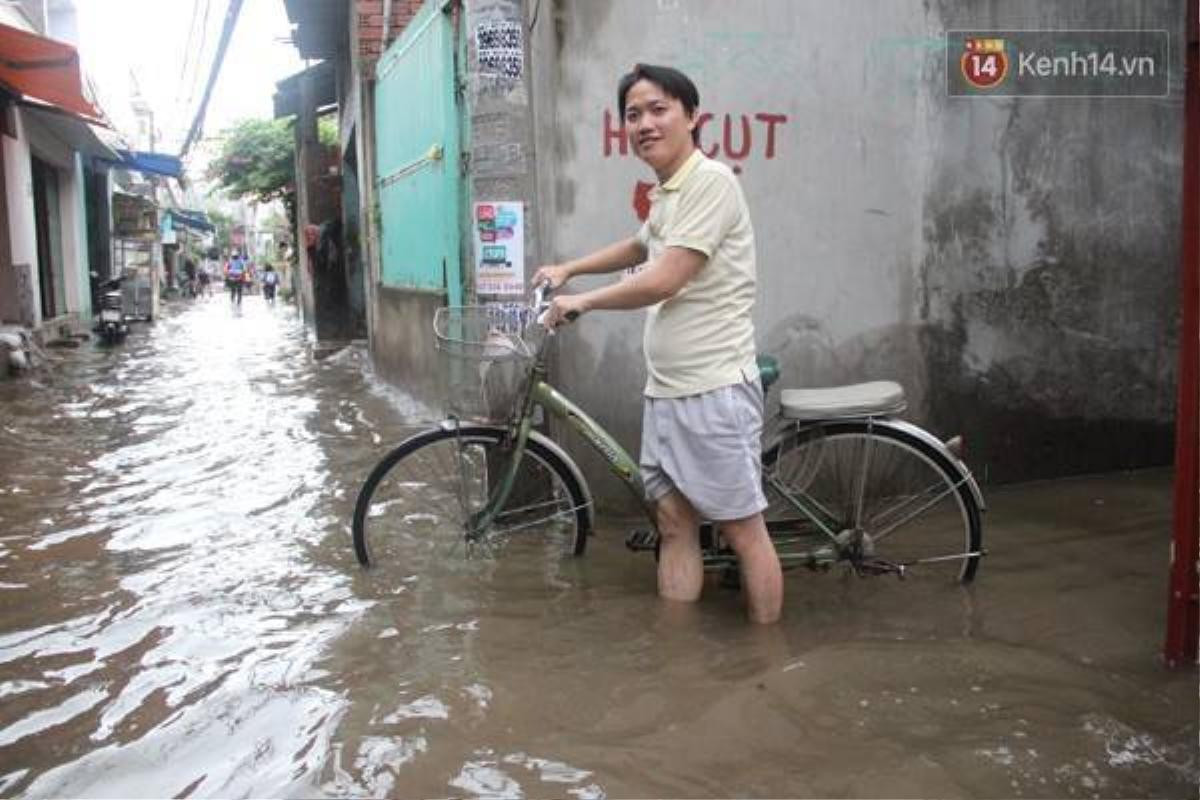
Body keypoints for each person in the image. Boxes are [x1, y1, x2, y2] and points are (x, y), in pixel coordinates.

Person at [535, 63, 783, 624]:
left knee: (743, 530)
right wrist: (568, 268)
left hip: (713, 389)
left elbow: (667, 276)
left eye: (658, 109)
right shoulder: (669, 192)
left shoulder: (710, 182)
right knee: (674, 523)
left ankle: (769, 665)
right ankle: (680, 659)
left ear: (692, 116)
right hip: (668, 392)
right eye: (632, 114)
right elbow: (638, 246)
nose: (644, 123)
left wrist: (585, 301)